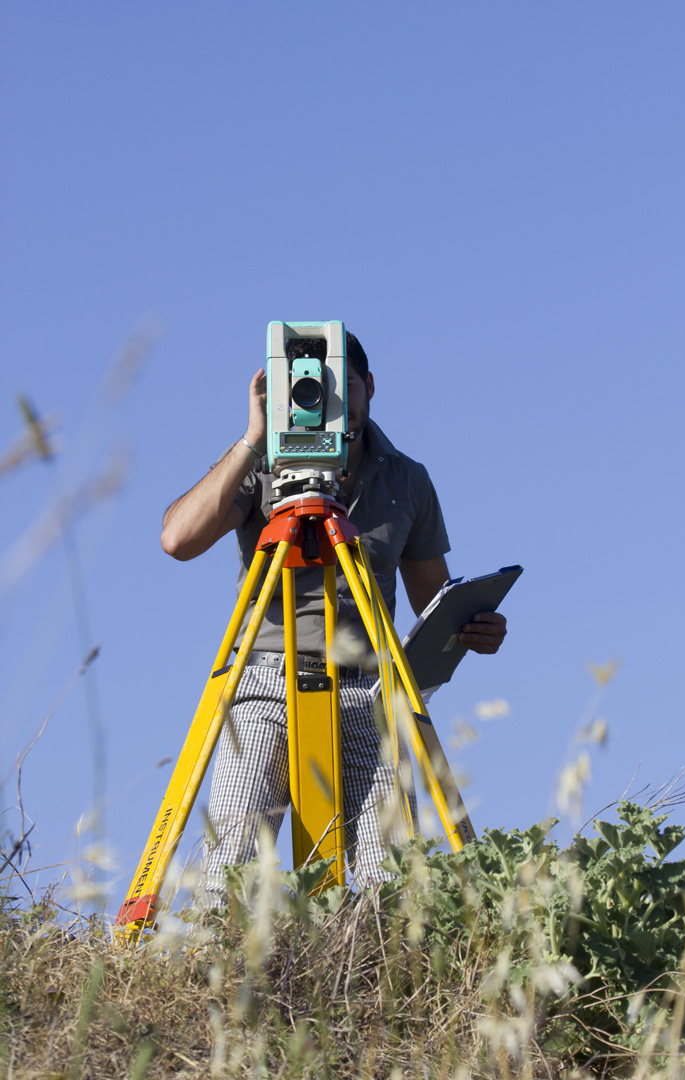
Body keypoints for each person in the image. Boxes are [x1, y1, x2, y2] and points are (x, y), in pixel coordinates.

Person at [160, 332, 507, 897]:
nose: (319, 400)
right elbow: (177, 539)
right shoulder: (261, 462)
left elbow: (432, 598)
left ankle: (380, 981)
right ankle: (216, 976)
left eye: (338, 387)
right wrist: (253, 438)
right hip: (265, 680)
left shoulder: (407, 478)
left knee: (389, 884)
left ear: (369, 387)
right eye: (306, 387)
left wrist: (473, 629)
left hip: (370, 687)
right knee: (231, 868)